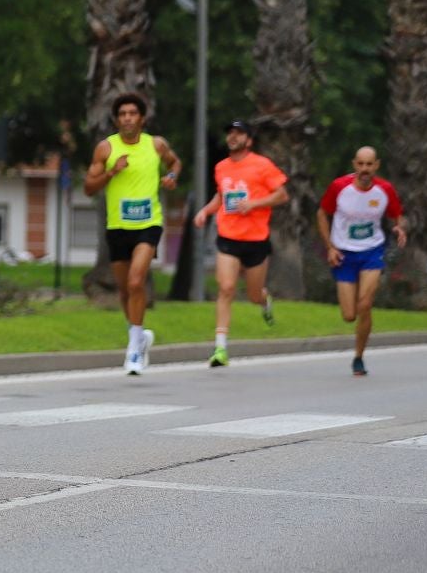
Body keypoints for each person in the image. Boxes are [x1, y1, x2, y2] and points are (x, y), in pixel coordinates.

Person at [83, 92, 181, 375]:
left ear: (142, 118)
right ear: (116, 119)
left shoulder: (156, 145)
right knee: (125, 289)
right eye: (122, 114)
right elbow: (89, 187)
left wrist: (172, 177)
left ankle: (133, 352)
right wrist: (112, 172)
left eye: (132, 113)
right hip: (117, 227)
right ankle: (140, 337)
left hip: (149, 224)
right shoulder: (105, 149)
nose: (127, 118)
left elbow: (175, 163)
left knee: (137, 281)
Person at [192, 120, 287, 367]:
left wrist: (254, 204)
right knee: (226, 288)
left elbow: (282, 195)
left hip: (256, 239)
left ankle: (264, 301)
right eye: (230, 133)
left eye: (239, 133)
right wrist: (205, 211)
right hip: (228, 237)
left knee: (253, 294)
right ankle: (220, 349)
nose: (233, 137)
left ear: (249, 140)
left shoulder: (262, 165)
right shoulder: (221, 167)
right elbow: (221, 197)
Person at [318, 146, 406, 376]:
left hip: (372, 251)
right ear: (354, 164)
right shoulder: (339, 187)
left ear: (376, 165)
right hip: (344, 253)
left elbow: (397, 213)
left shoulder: (384, 189)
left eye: (369, 164)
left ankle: (359, 356)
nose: (365, 169)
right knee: (349, 315)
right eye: (361, 164)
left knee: (365, 304)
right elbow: (321, 214)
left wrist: (399, 227)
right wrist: (330, 247)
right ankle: (358, 338)